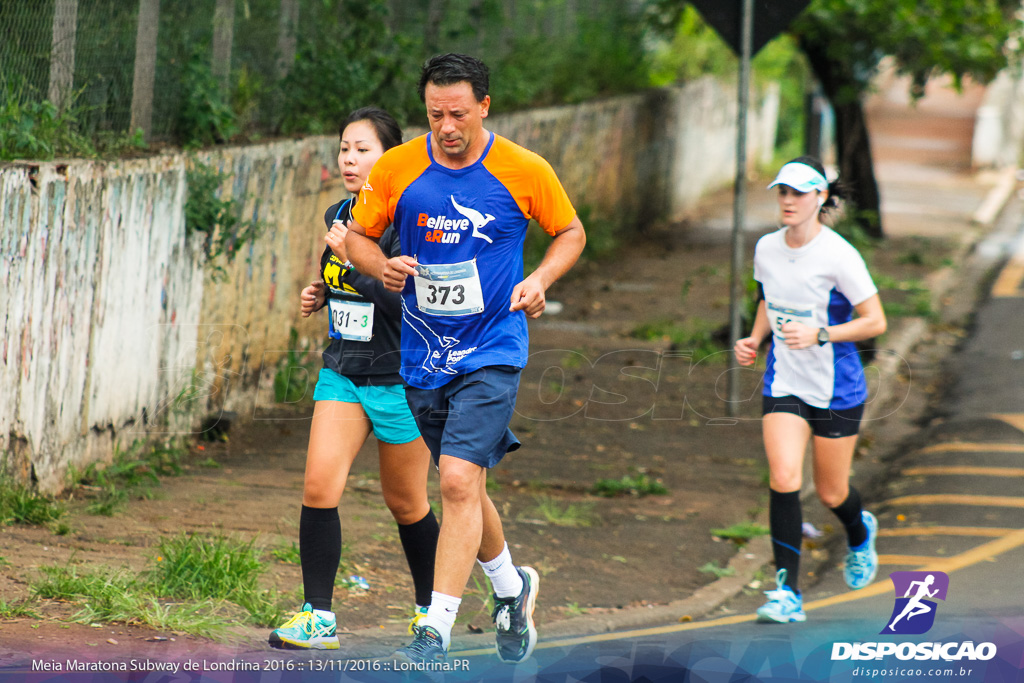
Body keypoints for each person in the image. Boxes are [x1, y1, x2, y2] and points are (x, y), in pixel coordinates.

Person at [345, 53, 586, 664]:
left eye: (457, 114)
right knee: (466, 484)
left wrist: (541, 280)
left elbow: (571, 232)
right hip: (423, 351)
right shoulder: (398, 167)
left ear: (484, 106)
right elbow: (357, 237)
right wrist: (382, 265)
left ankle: (435, 631)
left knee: (453, 479)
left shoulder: (523, 169)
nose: (446, 127)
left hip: (494, 346)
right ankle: (512, 587)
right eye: (434, 115)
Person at [268, 107, 439, 650]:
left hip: (400, 379)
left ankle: (430, 614)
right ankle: (317, 615)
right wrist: (320, 291)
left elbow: (407, 305)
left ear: (389, 157)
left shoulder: (407, 222)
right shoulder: (340, 212)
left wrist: (353, 264)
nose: (349, 158)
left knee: (407, 503)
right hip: (343, 371)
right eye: (344, 148)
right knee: (319, 487)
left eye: (362, 149)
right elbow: (336, 273)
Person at [734, 156, 887, 624]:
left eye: (799, 193)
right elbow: (767, 299)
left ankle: (859, 533)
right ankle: (787, 594)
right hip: (786, 380)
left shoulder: (840, 255)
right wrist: (755, 339)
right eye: (783, 191)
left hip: (837, 386)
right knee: (783, 479)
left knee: (831, 491)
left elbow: (875, 321)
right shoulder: (766, 248)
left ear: (821, 198)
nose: (788, 200)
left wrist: (821, 334)